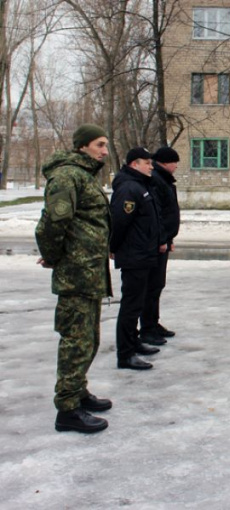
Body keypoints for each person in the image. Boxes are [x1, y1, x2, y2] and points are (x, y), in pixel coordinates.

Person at [35, 123, 113, 434]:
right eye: (99, 145)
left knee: (89, 339)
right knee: (76, 341)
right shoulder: (67, 176)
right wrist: (53, 256)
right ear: (82, 146)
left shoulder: (83, 175)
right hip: (76, 274)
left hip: (89, 271)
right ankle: (67, 409)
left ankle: (78, 391)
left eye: (105, 145)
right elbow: (53, 222)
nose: (104, 151)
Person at [111, 147, 165, 370]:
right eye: (147, 162)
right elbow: (119, 223)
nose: (151, 166)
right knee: (131, 306)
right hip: (134, 256)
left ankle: (134, 343)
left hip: (144, 254)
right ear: (135, 164)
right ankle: (125, 354)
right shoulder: (129, 188)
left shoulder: (141, 185)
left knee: (138, 303)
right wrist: (113, 247)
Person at [139, 147, 181, 345]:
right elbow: (157, 215)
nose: (176, 166)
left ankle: (152, 323)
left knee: (157, 285)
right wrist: (163, 239)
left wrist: (168, 239)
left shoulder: (162, 179)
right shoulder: (156, 179)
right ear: (165, 162)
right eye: (174, 162)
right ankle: (147, 328)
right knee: (152, 287)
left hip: (162, 242)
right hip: (156, 244)